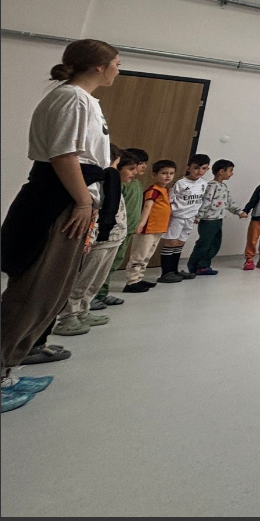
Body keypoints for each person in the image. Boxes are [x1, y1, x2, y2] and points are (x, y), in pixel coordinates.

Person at [1, 39, 120, 412]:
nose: (118, 70)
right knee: (34, 290)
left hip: (70, 198)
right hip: (58, 201)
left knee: (51, 290)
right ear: (99, 66)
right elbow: (63, 155)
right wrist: (83, 201)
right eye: (116, 63)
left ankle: (10, 369)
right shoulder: (72, 99)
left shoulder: (84, 100)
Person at [53, 145, 130, 336]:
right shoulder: (95, 180)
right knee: (82, 280)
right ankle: (68, 317)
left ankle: (83, 311)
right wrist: (91, 238)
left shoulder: (112, 181)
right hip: (98, 240)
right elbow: (94, 211)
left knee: (95, 281)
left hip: (114, 238)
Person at [94, 147, 148, 307]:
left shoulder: (134, 184)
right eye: (132, 168)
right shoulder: (114, 185)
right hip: (110, 232)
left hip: (126, 230)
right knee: (102, 264)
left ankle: (101, 293)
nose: (137, 171)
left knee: (114, 263)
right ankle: (92, 295)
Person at [122, 160, 174, 293]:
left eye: (171, 173)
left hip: (158, 228)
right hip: (148, 229)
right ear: (154, 175)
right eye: (164, 173)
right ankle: (132, 281)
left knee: (147, 255)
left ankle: (139, 278)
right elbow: (147, 206)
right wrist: (141, 224)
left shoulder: (165, 190)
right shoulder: (153, 191)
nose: (168, 176)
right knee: (139, 255)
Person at [186, 159, 246, 275]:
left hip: (218, 220)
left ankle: (203, 265)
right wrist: (199, 216)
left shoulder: (223, 186)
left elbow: (228, 202)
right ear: (221, 172)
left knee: (214, 244)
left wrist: (239, 212)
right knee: (204, 243)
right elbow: (206, 202)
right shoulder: (211, 186)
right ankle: (194, 264)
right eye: (230, 171)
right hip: (208, 221)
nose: (232, 174)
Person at [158, 154, 209, 284]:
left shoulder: (204, 183)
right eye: (196, 168)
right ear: (188, 168)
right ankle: (166, 273)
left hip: (190, 218)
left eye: (203, 168)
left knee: (180, 243)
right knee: (171, 242)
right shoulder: (180, 183)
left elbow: (200, 201)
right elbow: (170, 200)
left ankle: (174, 271)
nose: (199, 171)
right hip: (177, 217)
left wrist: (197, 215)